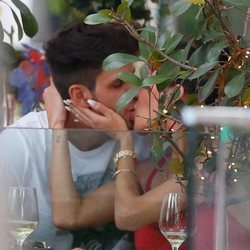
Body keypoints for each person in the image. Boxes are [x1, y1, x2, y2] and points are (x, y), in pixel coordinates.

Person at [0, 21, 148, 250]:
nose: (135, 92)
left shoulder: (142, 140)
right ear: (79, 95)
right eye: (119, 84)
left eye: (135, 79)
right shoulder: (19, 145)